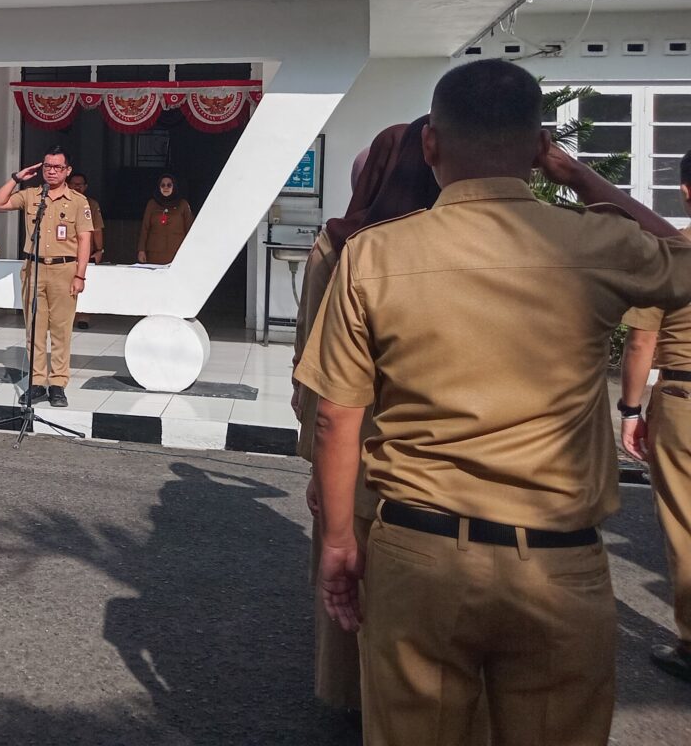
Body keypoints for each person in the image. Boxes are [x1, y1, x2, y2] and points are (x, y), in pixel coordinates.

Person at [298, 59, 691, 746]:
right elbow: (681, 258)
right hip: (559, 561)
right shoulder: (596, 244)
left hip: (420, 553)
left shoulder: (374, 255)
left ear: (432, 145)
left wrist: (336, 541)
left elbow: (335, 413)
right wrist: (580, 178)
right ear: (539, 146)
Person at [291, 121, 440, 714]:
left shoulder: (341, 245)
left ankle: (354, 699)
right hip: (428, 444)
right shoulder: (454, 242)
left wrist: (313, 464)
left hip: (356, 436)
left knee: (347, 568)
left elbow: (312, 364)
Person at [620, 147, 691, 684]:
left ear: (685, 189)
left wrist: (629, 409)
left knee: (686, 525)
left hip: (683, 402)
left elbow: (642, 340)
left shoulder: (672, 255)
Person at [0, 148, 92, 408]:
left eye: (58, 167)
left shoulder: (78, 201)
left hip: (64, 270)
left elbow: (84, 240)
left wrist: (80, 275)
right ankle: (36, 382)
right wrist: (17, 178)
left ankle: (57, 384)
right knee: (34, 329)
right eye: (48, 166)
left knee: (60, 330)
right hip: (33, 268)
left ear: (68, 170)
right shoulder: (31, 195)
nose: (52, 171)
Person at [68, 171, 103, 330]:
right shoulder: (63, 201)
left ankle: (83, 317)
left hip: (86, 251)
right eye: (74, 184)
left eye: (80, 184)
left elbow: (97, 229)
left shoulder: (92, 204)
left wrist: (100, 250)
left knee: (84, 284)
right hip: (66, 251)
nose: (77, 187)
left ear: (86, 186)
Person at [136, 174, 193, 265]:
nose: (166, 187)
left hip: (177, 253)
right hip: (155, 253)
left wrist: (191, 251)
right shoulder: (152, 204)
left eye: (169, 185)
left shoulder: (183, 205)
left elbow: (190, 229)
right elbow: (145, 228)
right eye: (162, 185)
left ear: (174, 187)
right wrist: (141, 250)